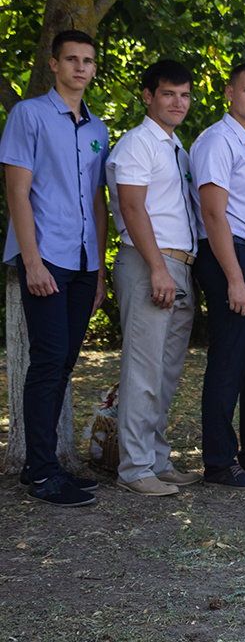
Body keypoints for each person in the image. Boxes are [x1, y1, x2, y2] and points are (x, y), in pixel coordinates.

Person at [1, 30, 108, 506]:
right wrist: (32, 260)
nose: (80, 68)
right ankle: (44, 474)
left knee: (63, 363)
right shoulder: (29, 115)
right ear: (54, 64)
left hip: (85, 262)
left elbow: (99, 204)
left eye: (87, 60)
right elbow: (17, 192)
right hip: (47, 259)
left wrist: (101, 271)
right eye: (72, 60)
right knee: (48, 361)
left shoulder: (98, 129)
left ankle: (38, 466)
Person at [107, 59, 202, 496]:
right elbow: (131, 209)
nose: (178, 102)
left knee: (165, 372)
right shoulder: (136, 144)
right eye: (168, 94)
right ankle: (134, 468)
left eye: (184, 95)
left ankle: (157, 458)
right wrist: (159, 268)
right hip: (150, 264)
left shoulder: (175, 147)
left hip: (178, 264)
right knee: (143, 369)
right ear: (148, 96)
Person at [189, 62, 245, 489]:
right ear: (229, 93)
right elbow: (212, 212)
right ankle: (219, 462)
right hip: (229, 258)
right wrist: (236, 279)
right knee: (228, 360)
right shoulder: (217, 140)